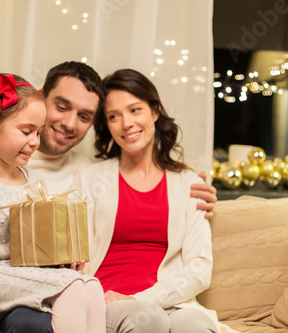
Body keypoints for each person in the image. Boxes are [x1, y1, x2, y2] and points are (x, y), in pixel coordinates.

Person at [0, 61, 218, 332]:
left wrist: (193, 189)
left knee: (36, 322)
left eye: (85, 116)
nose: (69, 123)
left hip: (28, 293)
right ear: (41, 97)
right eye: (62, 106)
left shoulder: (83, 173)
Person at [0, 73, 105, 332]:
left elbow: (37, 248)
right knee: (70, 287)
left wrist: (63, 256)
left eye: (38, 131)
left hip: (18, 276)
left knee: (90, 284)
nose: (35, 141)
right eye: (26, 131)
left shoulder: (33, 180)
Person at [72, 69, 235, 333]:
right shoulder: (91, 179)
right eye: (114, 116)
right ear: (107, 125)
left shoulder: (188, 183)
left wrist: (143, 298)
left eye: (135, 110)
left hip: (169, 300)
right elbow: (72, 257)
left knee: (196, 326)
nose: (126, 123)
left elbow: (200, 268)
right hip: (107, 300)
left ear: (155, 111)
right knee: (147, 320)